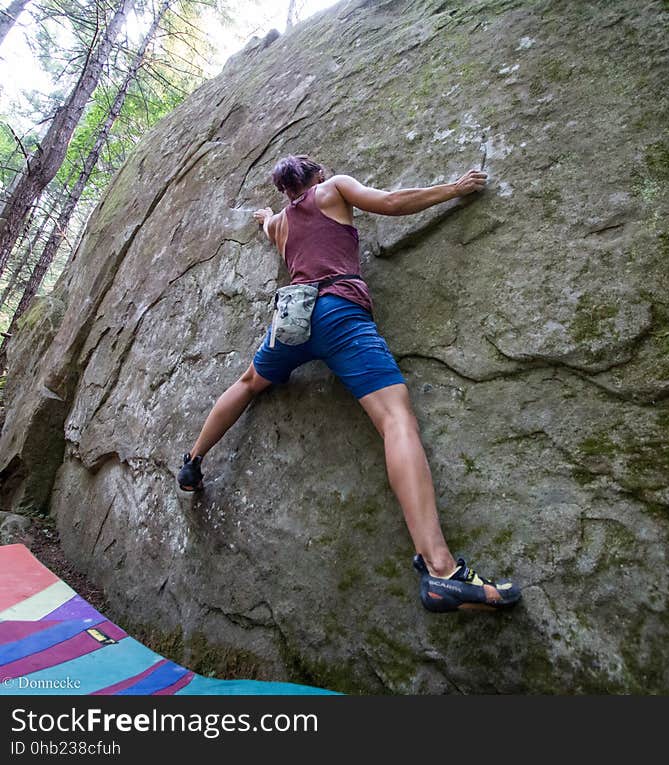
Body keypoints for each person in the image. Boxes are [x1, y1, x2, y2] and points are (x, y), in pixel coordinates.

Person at [177, 155, 521, 613]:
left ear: (284, 191)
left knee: (249, 381)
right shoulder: (333, 189)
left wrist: (265, 217)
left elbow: (269, 227)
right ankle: (440, 572)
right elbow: (393, 202)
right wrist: (453, 188)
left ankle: (193, 461)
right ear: (316, 176)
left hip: (292, 322)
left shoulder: (279, 224)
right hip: (340, 313)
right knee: (396, 419)